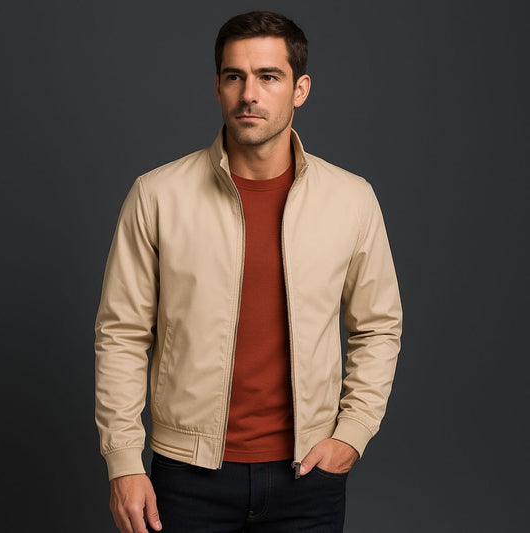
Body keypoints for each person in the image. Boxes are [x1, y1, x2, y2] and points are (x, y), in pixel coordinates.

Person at [95, 10, 402, 533]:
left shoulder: (352, 200)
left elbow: (378, 326)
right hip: (187, 476)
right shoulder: (157, 195)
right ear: (217, 86)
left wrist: (352, 433)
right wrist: (123, 461)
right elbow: (121, 333)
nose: (249, 94)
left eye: (269, 76)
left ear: (300, 89)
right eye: (235, 76)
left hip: (309, 477)